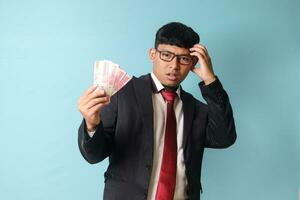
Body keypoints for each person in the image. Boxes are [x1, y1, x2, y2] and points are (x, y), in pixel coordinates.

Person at [77, 22, 237, 200]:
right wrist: (91, 125)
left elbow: (224, 138)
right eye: (166, 55)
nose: (174, 66)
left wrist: (210, 80)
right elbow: (94, 155)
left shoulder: (196, 109)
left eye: (184, 58)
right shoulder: (122, 92)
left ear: (193, 62)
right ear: (152, 54)